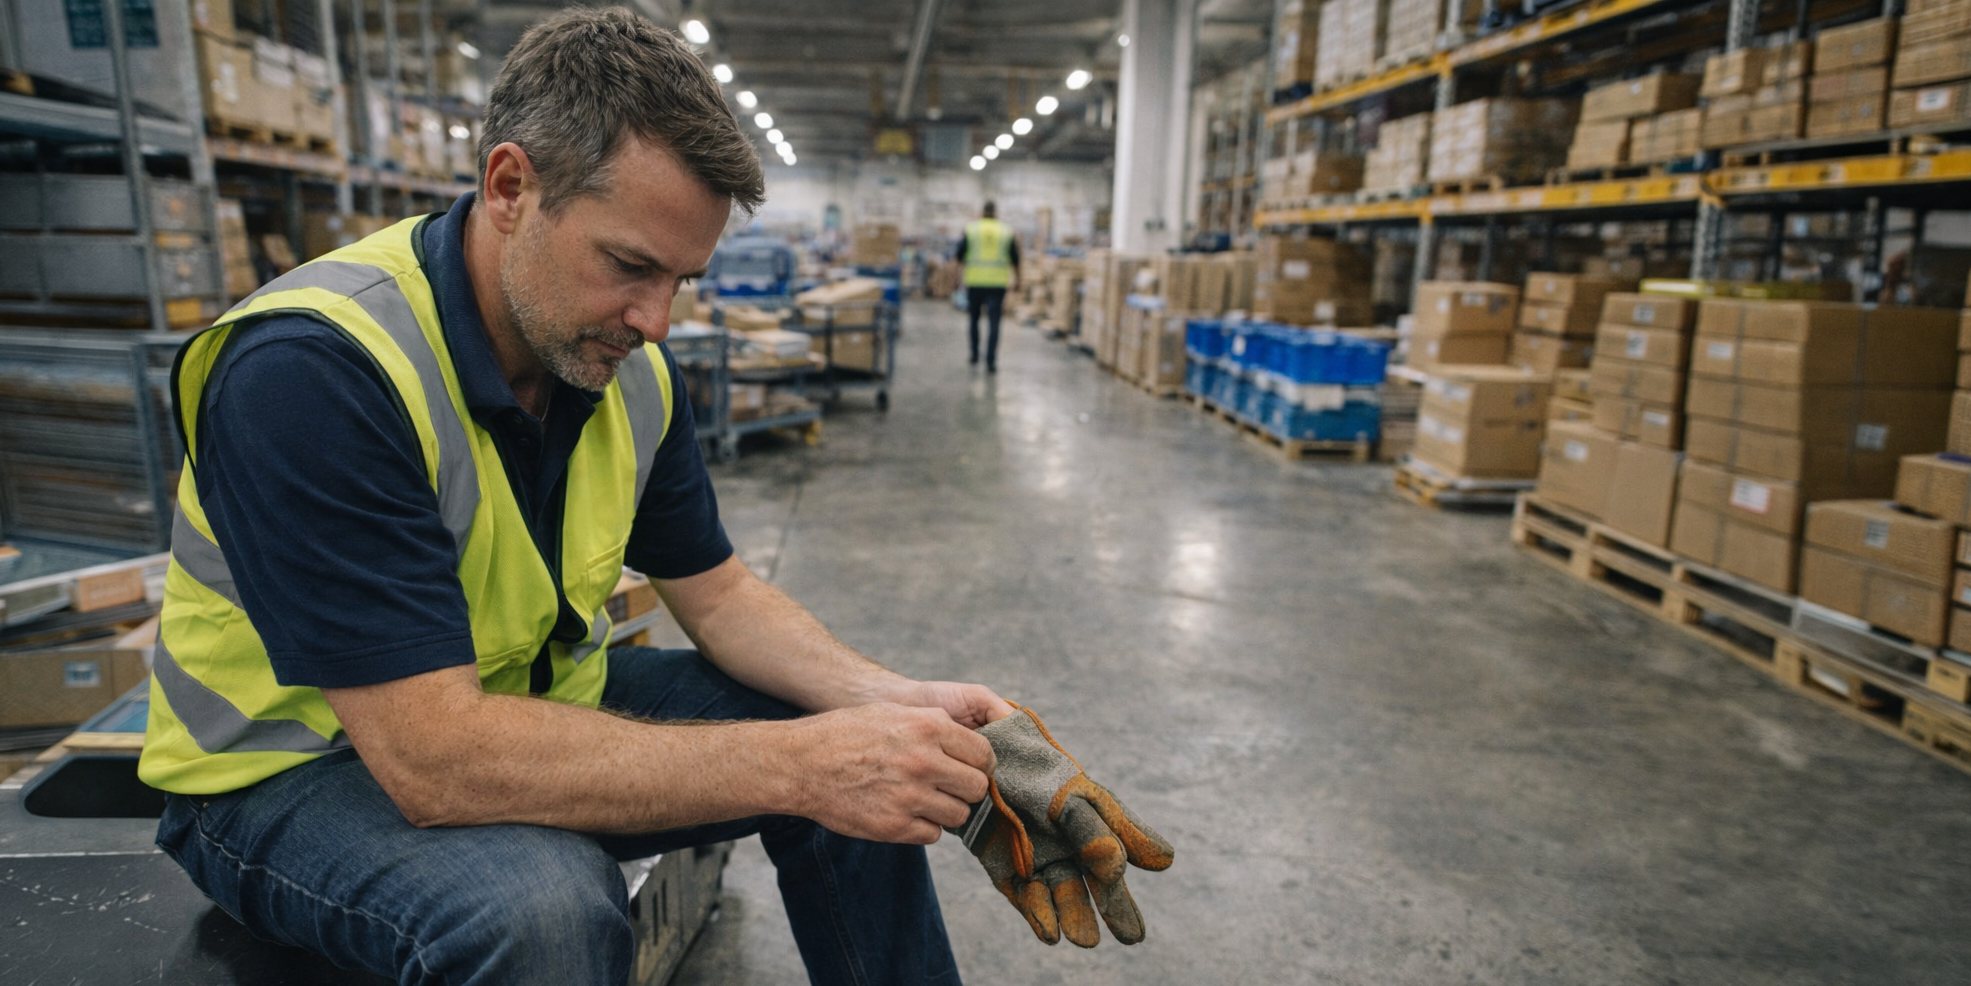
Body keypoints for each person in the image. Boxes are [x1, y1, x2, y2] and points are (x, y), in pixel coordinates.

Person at [140, 10, 1012, 984]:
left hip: (514, 703)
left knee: (876, 759)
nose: (657, 319)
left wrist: (897, 707)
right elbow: (433, 756)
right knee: (543, 906)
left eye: (682, 278)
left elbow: (718, 594)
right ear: (511, 187)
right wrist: (805, 762)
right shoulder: (316, 368)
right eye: (631, 266)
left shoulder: (623, 366)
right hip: (286, 773)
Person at [955, 201, 1019, 372]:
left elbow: (959, 256)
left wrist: (957, 279)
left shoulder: (971, 229)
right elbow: (1015, 259)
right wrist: (1019, 280)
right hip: (997, 284)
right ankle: (991, 360)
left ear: (982, 211)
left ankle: (975, 354)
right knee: (994, 322)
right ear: (995, 212)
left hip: (975, 282)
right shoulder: (1005, 231)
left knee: (974, 319)